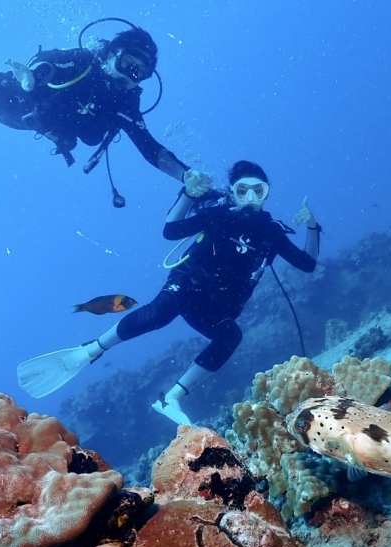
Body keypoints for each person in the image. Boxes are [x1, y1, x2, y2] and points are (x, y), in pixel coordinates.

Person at [79, 160, 321, 425]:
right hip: (186, 285)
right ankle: (92, 349)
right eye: (242, 191)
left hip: (214, 307)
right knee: (157, 314)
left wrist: (312, 226)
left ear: (266, 193)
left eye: (258, 191)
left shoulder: (271, 232)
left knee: (230, 335)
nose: (250, 199)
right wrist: (187, 194)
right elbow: (170, 231)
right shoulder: (219, 214)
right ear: (231, 192)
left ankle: (171, 398)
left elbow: (307, 264)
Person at [0, 23, 211, 200]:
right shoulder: (85, 62)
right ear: (112, 54)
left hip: (32, 124)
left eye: (140, 73)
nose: (131, 76)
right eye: (128, 64)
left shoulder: (125, 104)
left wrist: (186, 174)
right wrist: (31, 78)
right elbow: (51, 64)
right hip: (11, 97)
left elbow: (150, 148)